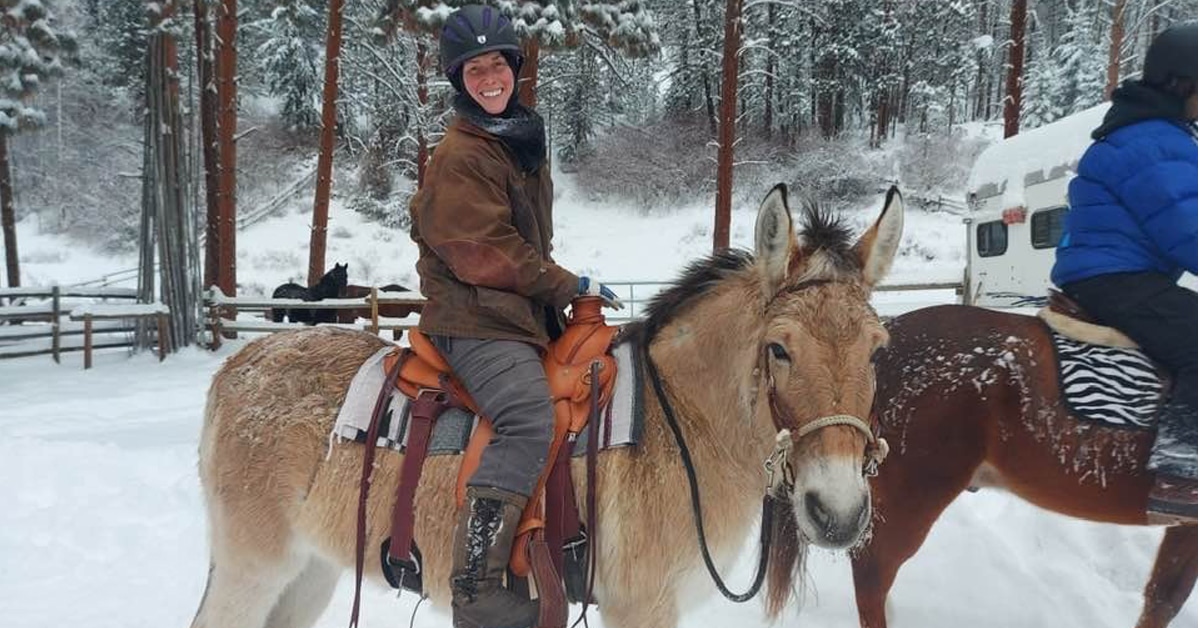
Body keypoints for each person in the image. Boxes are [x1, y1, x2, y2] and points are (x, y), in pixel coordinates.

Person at [408, 5, 622, 627]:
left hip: (516, 311)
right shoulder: (461, 155)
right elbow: (486, 255)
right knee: (528, 417)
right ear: (459, 81)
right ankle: (477, 582)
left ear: (514, 68)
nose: (489, 78)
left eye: (497, 64)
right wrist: (565, 284)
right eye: (474, 70)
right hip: (474, 317)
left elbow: (524, 243)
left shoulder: (515, 141)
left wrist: (557, 294)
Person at [1052, 23, 1198, 520]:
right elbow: (1188, 228)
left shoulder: (1142, 133)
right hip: (1118, 277)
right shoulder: (1156, 142)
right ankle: (1180, 472)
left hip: (1108, 272)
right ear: (1182, 84)